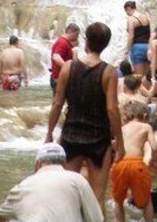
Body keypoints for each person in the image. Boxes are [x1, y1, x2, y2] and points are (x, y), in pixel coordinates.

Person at [46, 22, 125, 205]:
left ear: (86, 41)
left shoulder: (68, 67)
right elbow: (112, 109)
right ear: (105, 44)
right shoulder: (109, 72)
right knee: (97, 197)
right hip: (99, 138)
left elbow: (57, 103)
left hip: (71, 135)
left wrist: (49, 133)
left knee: (66, 196)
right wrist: (120, 143)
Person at [0, 142, 104, 222]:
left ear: (38, 164)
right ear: (64, 164)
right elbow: (97, 219)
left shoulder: (22, 186)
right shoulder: (77, 180)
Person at [112, 101, 156, 222]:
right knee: (146, 201)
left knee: (118, 201)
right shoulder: (146, 127)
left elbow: (115, 146)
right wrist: (154, 161)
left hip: (121, 164)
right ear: (144, 116)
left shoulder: (122, 128)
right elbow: (154, 147)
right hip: (137, 164)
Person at [123, 1, 152, 78]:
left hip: (137, 48)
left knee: (138, 77)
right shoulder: (146, 17)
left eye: (126, 11)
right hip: (147, 47)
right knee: (147, 77)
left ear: (128, 9)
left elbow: (131, 36)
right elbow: (150, 33)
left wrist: (126, 51)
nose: (127, 14)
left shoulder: (131, 19)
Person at [50, 23, 79, 94]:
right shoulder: (62, 42)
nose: (77, 38)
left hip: (61, 78)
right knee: (58, 103)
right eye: (76, 35)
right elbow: (56, 57)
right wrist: (68, 68)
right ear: (70, 32)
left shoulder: (65, 43)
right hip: (58, 78)